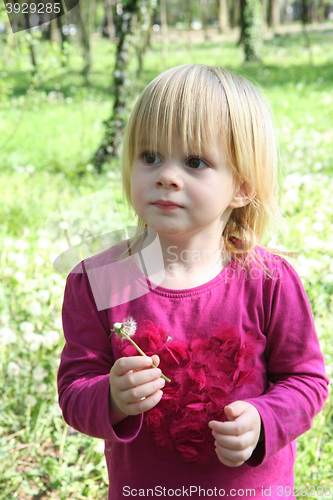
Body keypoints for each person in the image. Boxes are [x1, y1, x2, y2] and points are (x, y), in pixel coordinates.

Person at [57, 64, 329, 499]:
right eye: (150, 157)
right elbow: (75, 388)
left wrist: (263, 419)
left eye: (195, 161)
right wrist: (111, 395)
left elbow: (306, 380)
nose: (166, 175)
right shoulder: (100, 280)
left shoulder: (267, 281)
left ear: (241, 187)